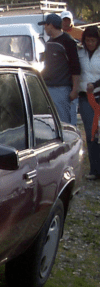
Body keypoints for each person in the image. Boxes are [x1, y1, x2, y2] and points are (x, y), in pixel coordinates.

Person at [39, 13, 81, 125]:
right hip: (48, 87)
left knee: (65, 124)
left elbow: (75, 67)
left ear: (51, 25)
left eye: (45, 25)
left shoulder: (67, 41)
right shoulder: (49, 42)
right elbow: (47, 66)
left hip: (62, 88)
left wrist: (75, 89)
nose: (44, 28)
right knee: (52, 123)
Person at [77, 26, 100, 179]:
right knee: (91, 133)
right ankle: (95, 170)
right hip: (86, 97)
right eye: (88, 40)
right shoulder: (80, 53)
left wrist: (96, 84)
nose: (90, 43)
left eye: (93, 40)